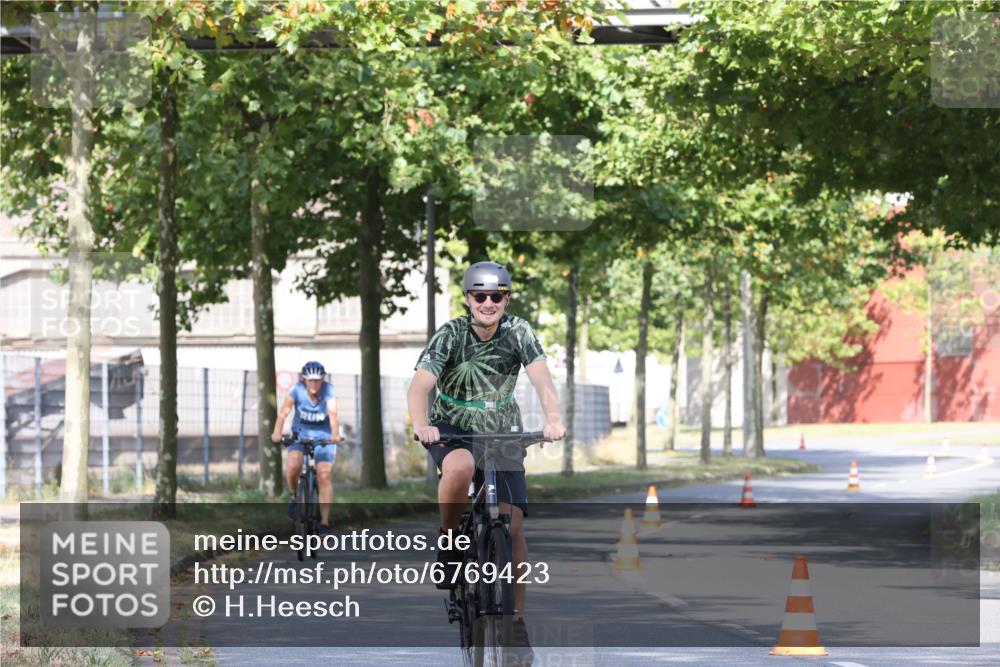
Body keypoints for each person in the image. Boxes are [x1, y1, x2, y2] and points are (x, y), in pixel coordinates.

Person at [407, 261, 566, 654]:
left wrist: (554, 419)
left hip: (502, 431)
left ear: (506, 299)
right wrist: (422, 424)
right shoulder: (450, 334)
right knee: (459, 468)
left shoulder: (519, 331)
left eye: (497, 296)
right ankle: (448, 538)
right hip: (452, 427)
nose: (488, 303)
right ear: (468, 299)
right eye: (480, 296)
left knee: (511, 529)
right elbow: (419, 386)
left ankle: (516, 625)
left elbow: (542, 380)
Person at [272, 360, 341, 535]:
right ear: (304, 380)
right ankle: (295, 496)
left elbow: (333, 414)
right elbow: (283, 413)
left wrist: (335, 434)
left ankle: (324, 522)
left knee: (324, 475)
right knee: (293, 465)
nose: (314, 384)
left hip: (324, 436)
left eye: (317, 380)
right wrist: (277, 433)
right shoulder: (296, 390)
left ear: (322, 379)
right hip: (300, 434)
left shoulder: (329, 391)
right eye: (310, 380)